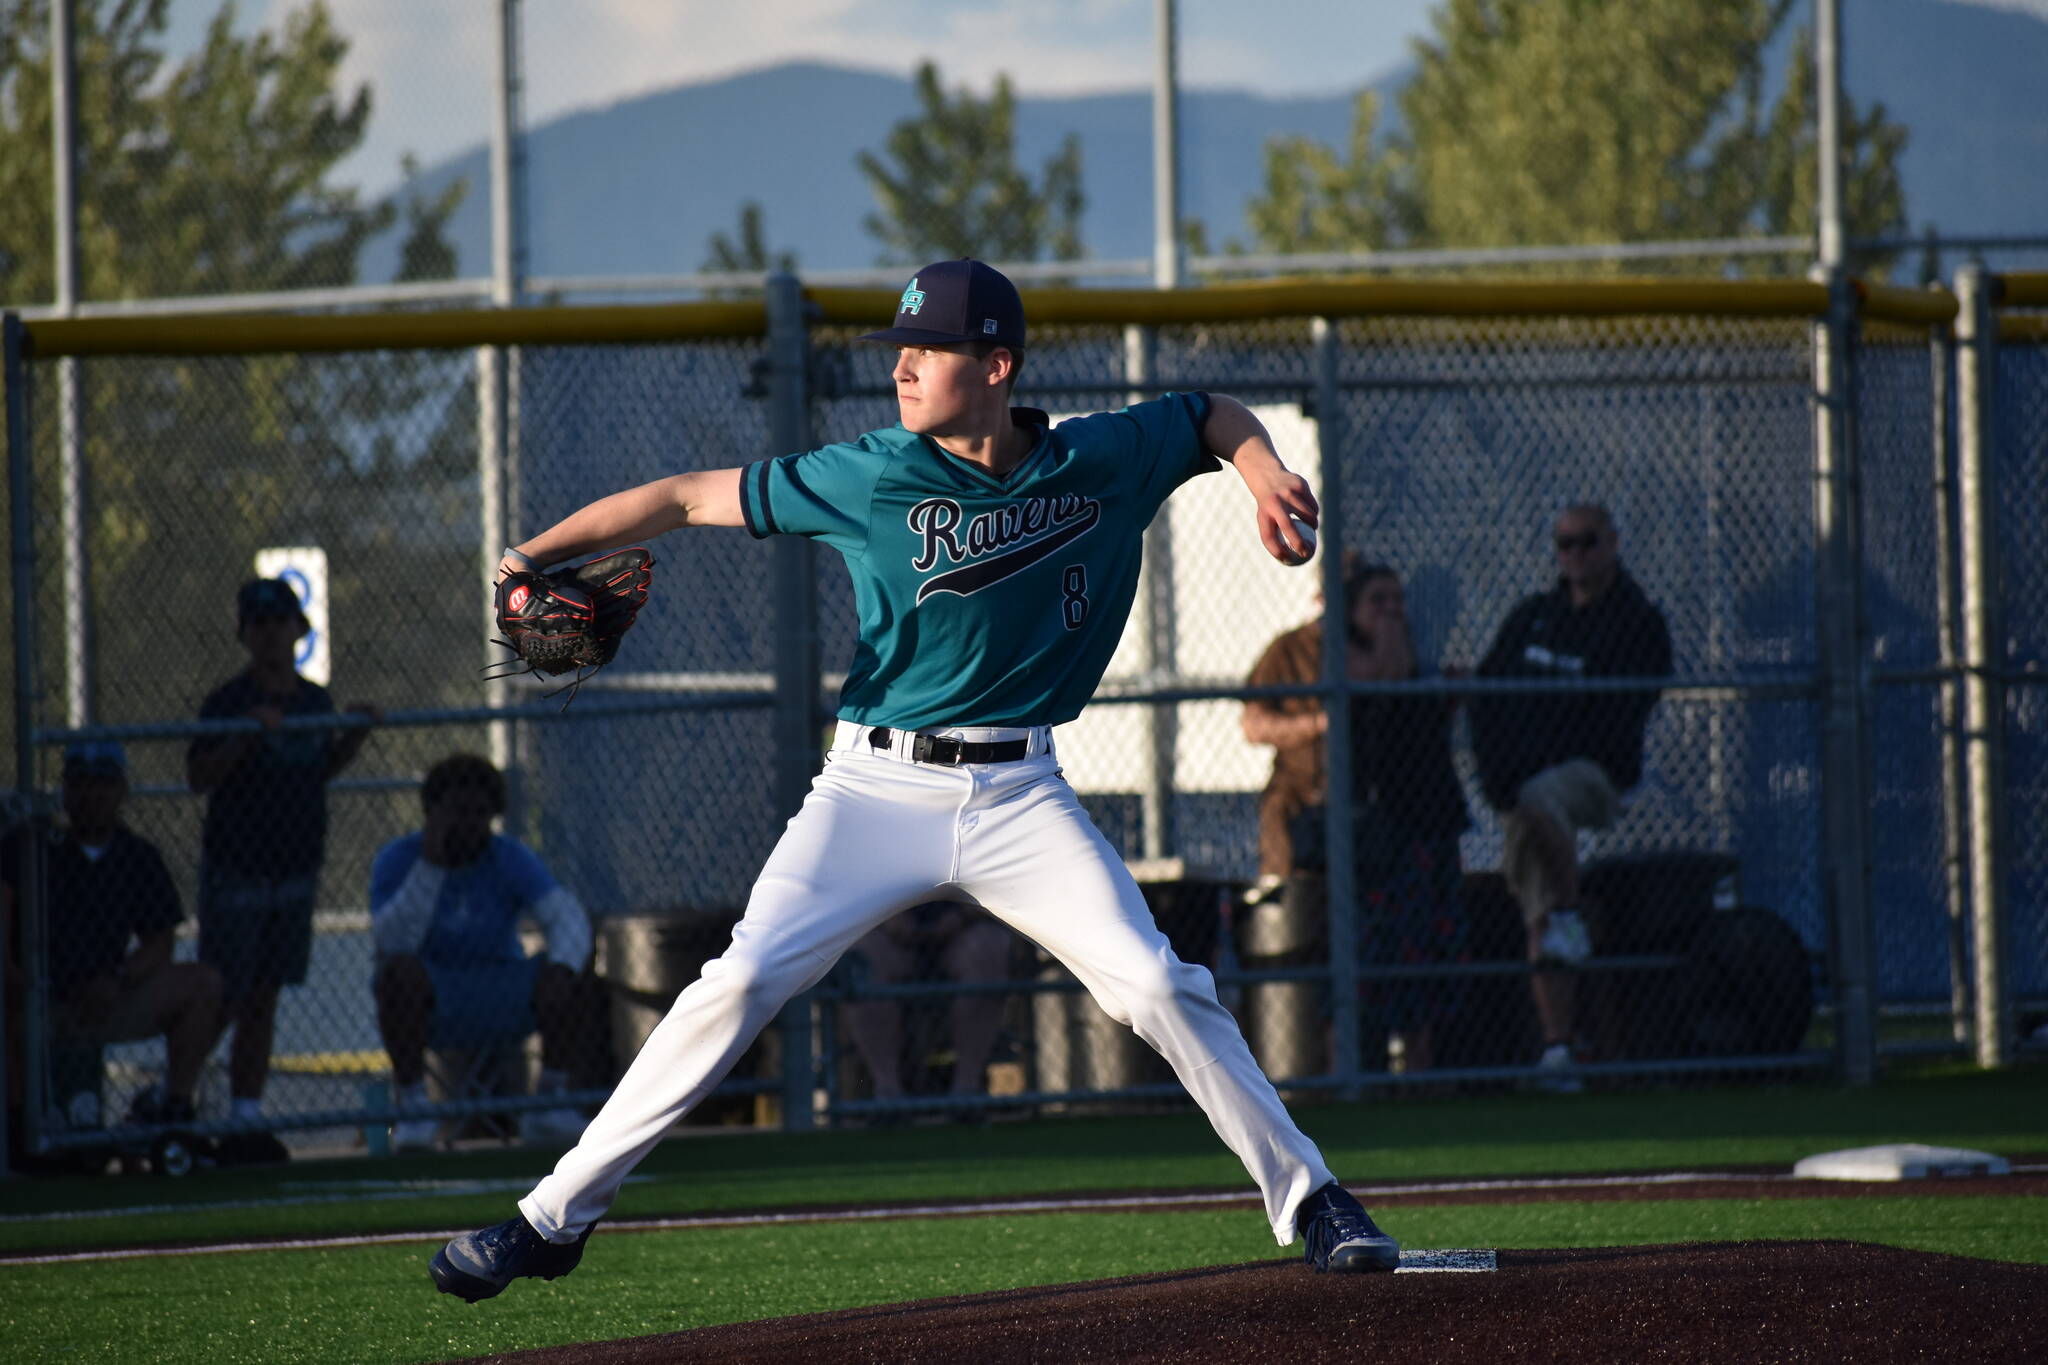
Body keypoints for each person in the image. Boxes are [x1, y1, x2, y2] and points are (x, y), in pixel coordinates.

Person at [429, 258, 1400, 1303]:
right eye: (901, 345)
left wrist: (1256, 470)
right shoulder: (872, 473)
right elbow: (679, 497)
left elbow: (1210, 412)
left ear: (993, 365)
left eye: (926, 348)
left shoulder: (1099, 456)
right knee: (740, 980)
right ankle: (550, 1218)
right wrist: (530, 552)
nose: (900, 364)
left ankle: (1311, 1199)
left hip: (1021, 794)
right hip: (871, 791)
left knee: (1160, 986)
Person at [1469, 504, 1671, 1090]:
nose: (1574, 555)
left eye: (1586, 543)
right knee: (1541, 904)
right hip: (1527, 789)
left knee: (1540, 796)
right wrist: (1502, 769)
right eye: (1564, 545)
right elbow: (1489, 692)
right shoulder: (1535, 617)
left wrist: (1543, 739)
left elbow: (1618, 712)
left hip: (1594, 777)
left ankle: (1568, 910)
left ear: (1611, 542)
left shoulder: (1636, 621)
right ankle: (1558, 1048)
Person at [1242, 560, 1470, 1072]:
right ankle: (1343, 1074)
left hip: (1412, 828)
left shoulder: (1411, 649)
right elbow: (1256, 721)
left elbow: (1404, 694)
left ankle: (1421, 1074)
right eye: (1376, 602)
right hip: (1333, 831)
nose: (1391, 613)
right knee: (1341, 955)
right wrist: (1315, 723)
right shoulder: (1319, 653)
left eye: (1397, 602)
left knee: (1421, 957)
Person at [187, 578, 379, 1163]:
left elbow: (316, 768)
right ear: (244, 633)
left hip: (294, 868)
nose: (272, 634)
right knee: (221, 993)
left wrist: (355, 735)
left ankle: (246, 1113)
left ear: (299, 629)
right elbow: (199, 776)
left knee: (264, 994)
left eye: (282, 621)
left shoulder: (314, 701)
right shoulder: (226, 701)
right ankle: (176, 1096)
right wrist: (247, 735)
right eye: (260, 623)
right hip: (237, 869)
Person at [370, 754, 605, 1153]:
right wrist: (432, 865)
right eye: (458, 812)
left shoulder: (509, 855)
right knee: (397, 973)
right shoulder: (398, 859)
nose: (469, 824)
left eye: (481, 813)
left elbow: (564, 916)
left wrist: (564, 967)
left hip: (501, 989)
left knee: (572, 969)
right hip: (436, 994)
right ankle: (414, 1108)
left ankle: (549, 1104)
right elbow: (393, 941)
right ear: (432, 811)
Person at [1, 741, 222, 1133]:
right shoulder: (28, 850)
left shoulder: (137, 856)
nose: (92, 796)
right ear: (65, 790)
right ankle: (21, 1128)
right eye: (81, 785)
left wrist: (118, 980)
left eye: (102, 785)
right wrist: (28, 987)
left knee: (202, 984)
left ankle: (171, 1108)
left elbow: (160, 942)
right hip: (37, 1001)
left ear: (122, 790)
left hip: (106, 999)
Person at [842, 902, 1013, 1112]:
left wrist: (961, 916)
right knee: (864, 958)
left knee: (988, 949)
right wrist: (887, 917)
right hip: (888, 930)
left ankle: (966, 1093)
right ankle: (887, 1095)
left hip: (962, 928)